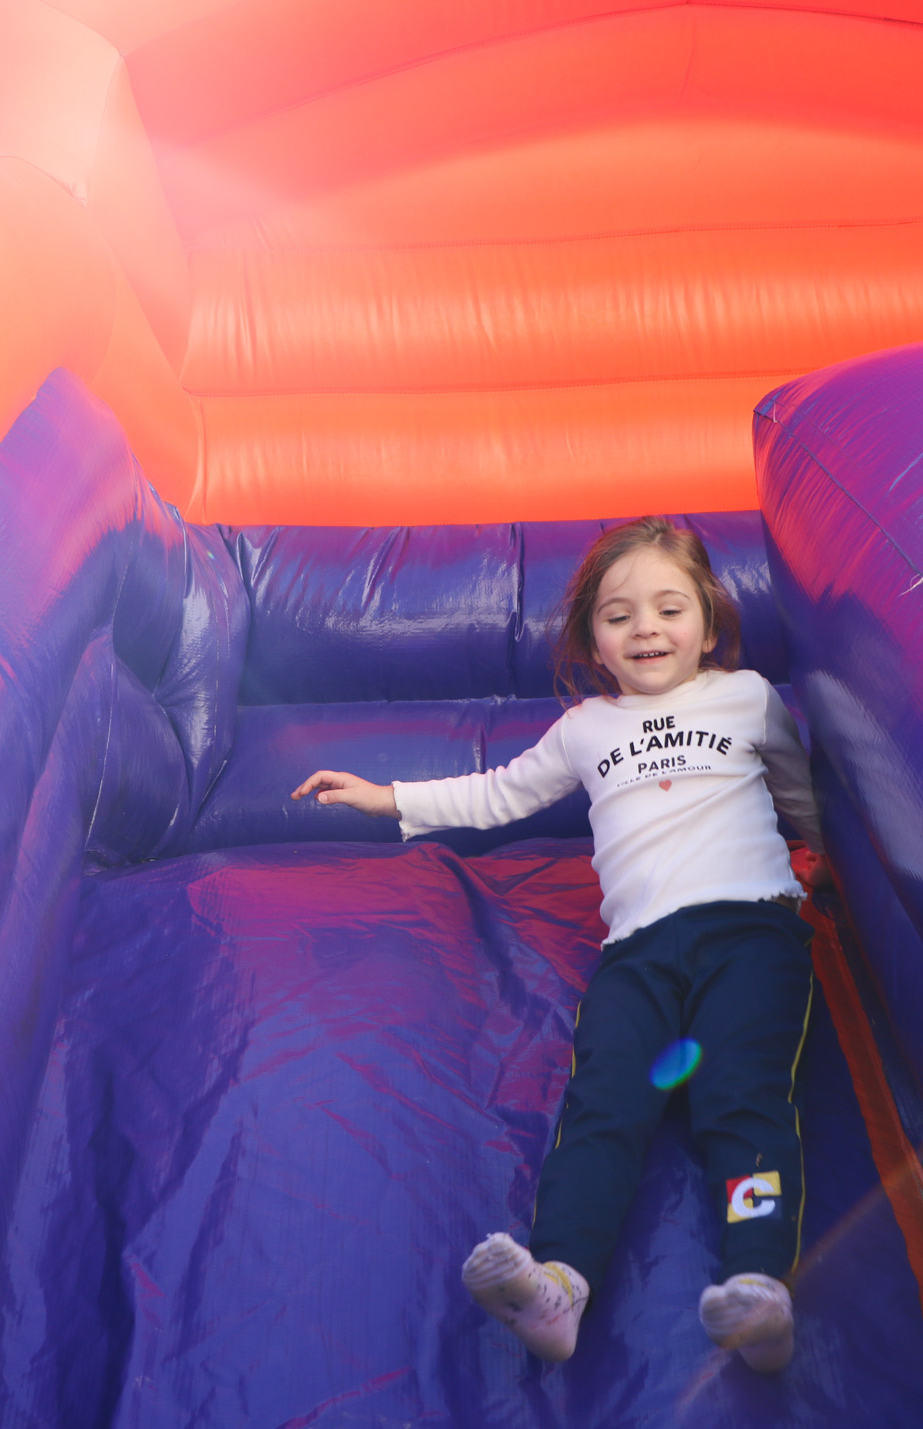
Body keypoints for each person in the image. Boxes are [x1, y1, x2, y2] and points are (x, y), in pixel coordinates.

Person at [290, 516, 825, 1373]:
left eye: (669, 608)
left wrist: (829, 859)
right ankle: (561, 1285)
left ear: (708, 625)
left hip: (749, 931)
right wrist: (388, 796)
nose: (646, 627)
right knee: (603, 1105)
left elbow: (800, 793)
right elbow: (498, 793)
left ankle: (758, 1284)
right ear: (594, 642)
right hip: (639, 955)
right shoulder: (587, 727)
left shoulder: (746, 698)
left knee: (742, 1093)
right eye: (619, 615)